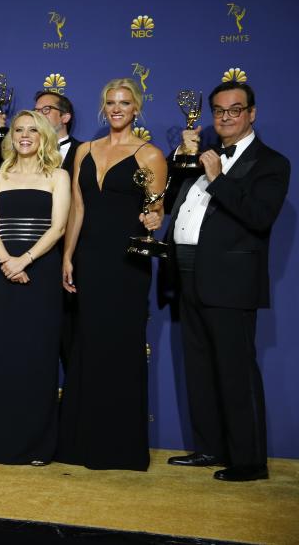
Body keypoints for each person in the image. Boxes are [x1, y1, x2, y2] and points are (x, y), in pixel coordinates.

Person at [164, 81, 289, 482]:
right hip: (187, 273)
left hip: (231, 281)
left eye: (235, 110)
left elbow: (258, 216)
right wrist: (180, 157)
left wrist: (218, 178)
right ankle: (210, 448)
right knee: (199, 368)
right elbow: (166, 200)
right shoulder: (203, 156)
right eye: (219, 111)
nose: (225, 117)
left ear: (251, 113)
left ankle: (250, 461)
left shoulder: (271, 163)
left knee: (235, 370)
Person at [56, 78, 166, 470]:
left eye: (125, 103)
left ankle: (119, 448)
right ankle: (79, 443)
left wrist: (153, 217)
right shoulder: (85, 150)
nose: (117, 108)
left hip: (126, 265)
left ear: (136, 108)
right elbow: (77, 209)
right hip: (88, 259)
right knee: (86, 345)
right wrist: (67, 256)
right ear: (103, 109)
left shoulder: (150, 155)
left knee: (119, 348)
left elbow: (156, 209)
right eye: (111, 103)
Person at [0, 111, 70, 465]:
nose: (24, 135)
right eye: (18, 130)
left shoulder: (58, 176)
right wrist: (6, 261)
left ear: (44, 136)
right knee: (4, 359)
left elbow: (58, 228)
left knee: (38, 358)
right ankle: (2, 444)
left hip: (41, 274)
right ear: (10, 137)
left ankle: (37, 445)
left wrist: (25, 259)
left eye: (33, 130)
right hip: (2, 274)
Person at [0, 91, 80, 173]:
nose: (38, 115)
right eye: (36, 111)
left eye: (46, 109)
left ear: (65, 117)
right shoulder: (21, 148)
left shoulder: (83, 151)